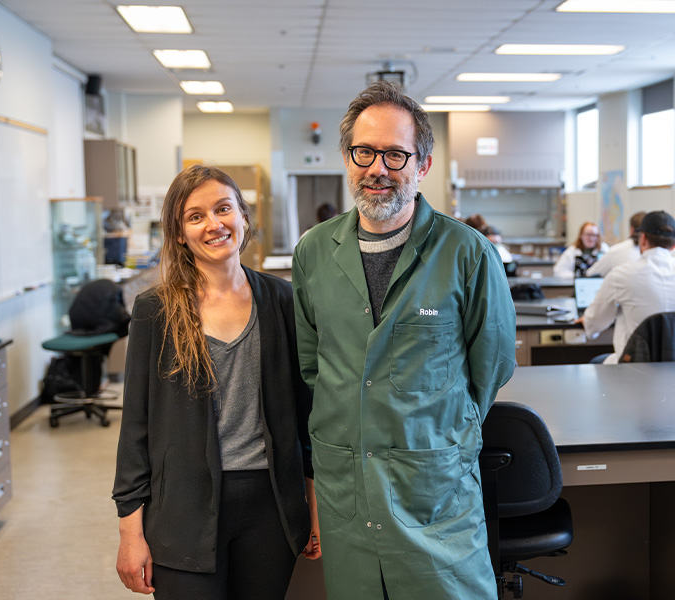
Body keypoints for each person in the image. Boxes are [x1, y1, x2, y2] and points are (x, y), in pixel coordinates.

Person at [291, 81, 516, 599]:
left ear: (424, 165)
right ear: (348, 158)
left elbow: (492, 365)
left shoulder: (468, 253)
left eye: (395, 154)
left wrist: (435, 433)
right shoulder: (314, 252)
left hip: (435, 489)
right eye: (364, 151)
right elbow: (312, 365)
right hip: (347, 485)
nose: (378, 168)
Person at [113, 165, 320, 599]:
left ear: (243, 216)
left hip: (271, 509)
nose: (214, 224)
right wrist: (130, 534)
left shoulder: (283, 301)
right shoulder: (157, 310)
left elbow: (306, 420)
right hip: (183, 511)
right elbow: (135, 427)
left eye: (224, 208)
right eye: (196, 216)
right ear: (180, 233)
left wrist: (313, 508)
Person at [579, 211, 675, 364]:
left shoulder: (621, 276)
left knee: (597, 363)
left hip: (636, 372)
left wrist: (586, 321)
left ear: (642, 239)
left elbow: (595, 323)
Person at [587, 211, 645, 276]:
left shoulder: (616, 250)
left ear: (631, 230)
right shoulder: (656, 255)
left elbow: (591, 273)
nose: (591, 238)